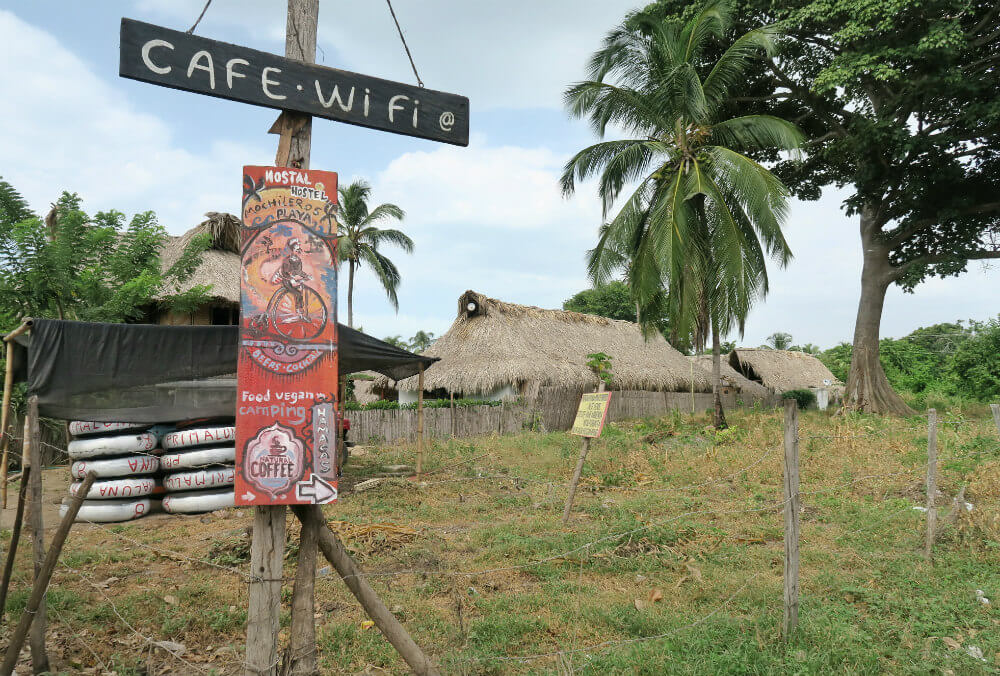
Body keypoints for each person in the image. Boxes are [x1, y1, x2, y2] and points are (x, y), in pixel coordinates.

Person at [273, 238, 311, 323]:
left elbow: (299, 271)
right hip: (287, 280)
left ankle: (301, 312)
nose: (297, 251)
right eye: (296, 249)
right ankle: (298, 312)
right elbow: (287, 272)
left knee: (301, 291)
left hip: (293, 279)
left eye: (298, 249)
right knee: (297, 293)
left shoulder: (298, 260)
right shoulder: (287, 260)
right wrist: (292, 280)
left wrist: (306, 276)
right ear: (292, 250)